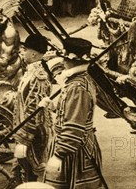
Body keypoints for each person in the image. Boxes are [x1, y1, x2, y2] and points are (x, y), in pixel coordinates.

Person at [40, 37, 105, 189]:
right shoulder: (78, 80)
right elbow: (73, 112)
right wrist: (54, 107)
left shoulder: (77, 87)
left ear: (71, 61)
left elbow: (74, 126)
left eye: (64, 59)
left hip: (75, 151)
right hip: (75, 146)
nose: (62, 62)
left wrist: (59, 155)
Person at [13, 34, 53, 183]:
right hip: (29, 134)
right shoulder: (32, 71)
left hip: (34, 135)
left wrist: (24, 141)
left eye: (25, 50)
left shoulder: (38, 77)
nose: (22, 53)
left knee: (32, 176)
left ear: (33, 53)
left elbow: (34, 112)